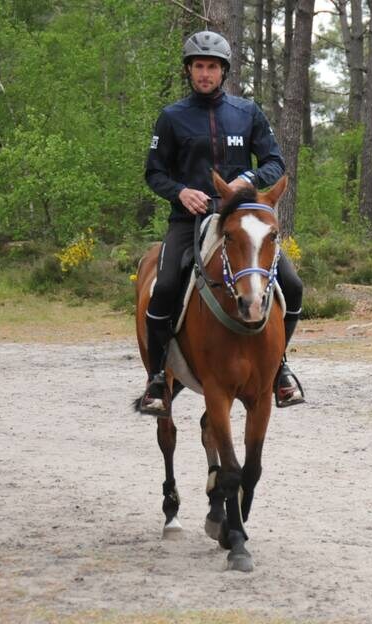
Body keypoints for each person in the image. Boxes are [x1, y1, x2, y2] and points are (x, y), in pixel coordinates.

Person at [140, 30, 304, 412]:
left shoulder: (248, 113)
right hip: (189, 221)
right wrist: (180, 191)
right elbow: (154, 173)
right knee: (163, 288)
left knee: (292, 285)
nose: (204, 73)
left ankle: (279, 368)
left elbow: (274, 163)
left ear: (223, 71)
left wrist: (248, 179)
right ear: (189, 70)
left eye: (212, 67)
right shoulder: (171, 118)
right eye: (198, 66)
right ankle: (158, 380)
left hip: (243, 221)